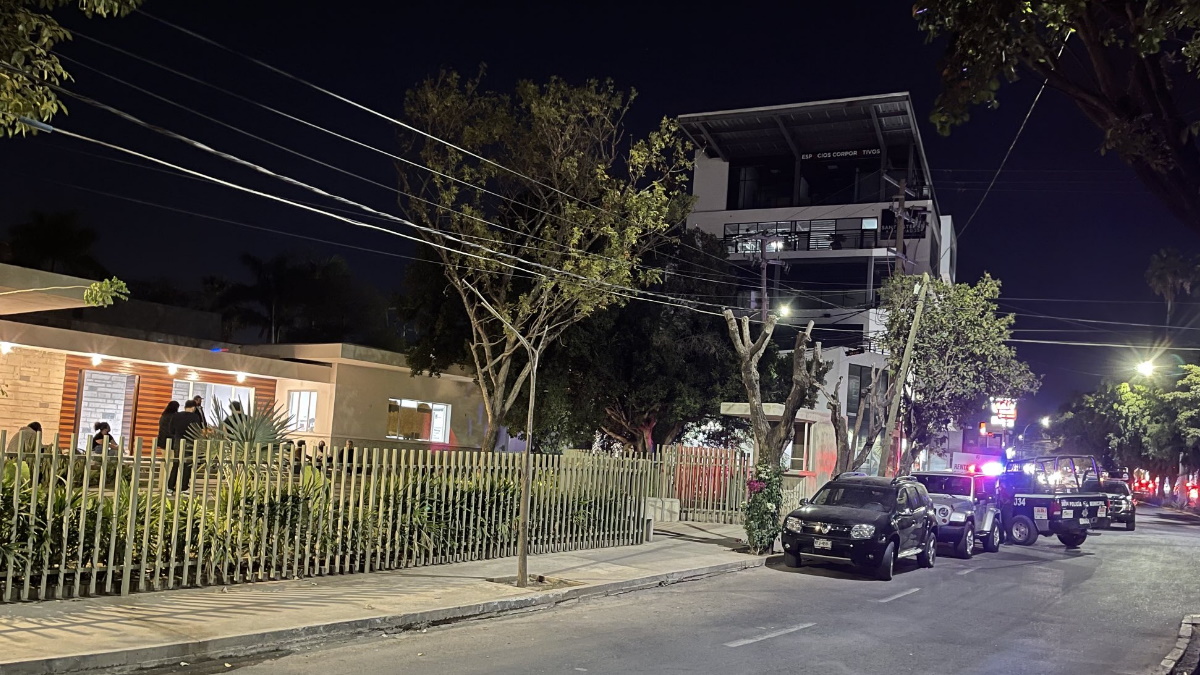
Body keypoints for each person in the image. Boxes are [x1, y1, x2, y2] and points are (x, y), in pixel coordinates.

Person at [167, 400, 205, 492]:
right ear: (193, 408)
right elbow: (198, 430)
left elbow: (171, 430)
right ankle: (184, 487)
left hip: (178, 441)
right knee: (187, 464)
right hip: (190, 442)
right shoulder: (195, 417)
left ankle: (170, 487)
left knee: (176, 463)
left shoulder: (176, 415)